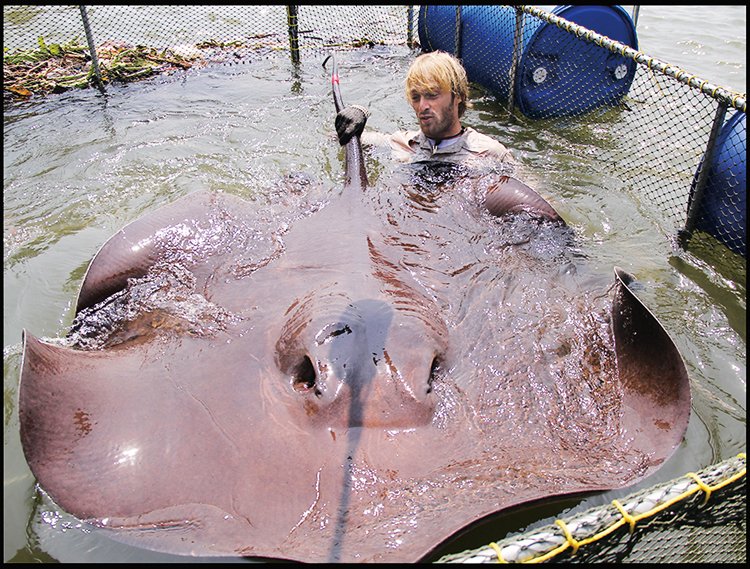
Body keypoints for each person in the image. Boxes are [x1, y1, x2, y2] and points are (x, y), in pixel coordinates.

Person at [335, 50, 515, 167]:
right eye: (415, 97)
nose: (422, 106)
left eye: (432, 95)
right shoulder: (399, 144)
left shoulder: (490, 154)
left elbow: (532, 200)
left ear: (457, 96)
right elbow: (342, 138)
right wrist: (356, 114)